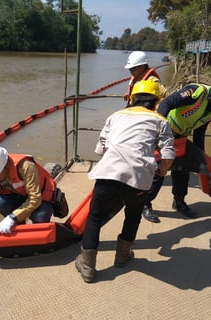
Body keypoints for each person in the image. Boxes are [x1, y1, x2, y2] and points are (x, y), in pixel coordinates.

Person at [75, 80, 175, 283]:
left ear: (132, 98)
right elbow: (168, 154)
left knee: (95, 217)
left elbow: (100, 149)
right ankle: (122, 256)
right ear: (156, 101)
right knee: (133, 215)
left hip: (108, 175)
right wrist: (162, 172)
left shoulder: (115, 116)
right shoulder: (160, 120)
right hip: (139, 179)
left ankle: (87, 266)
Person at [142, 82, 211, 223]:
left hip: (181, 137)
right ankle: (145, 203)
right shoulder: (196, 91)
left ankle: (179, 201)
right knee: (159, 171)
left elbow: (199, 130)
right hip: (166, 132)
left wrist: (199, 153)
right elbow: (166, 103)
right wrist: (158, 132)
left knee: (183, 169)